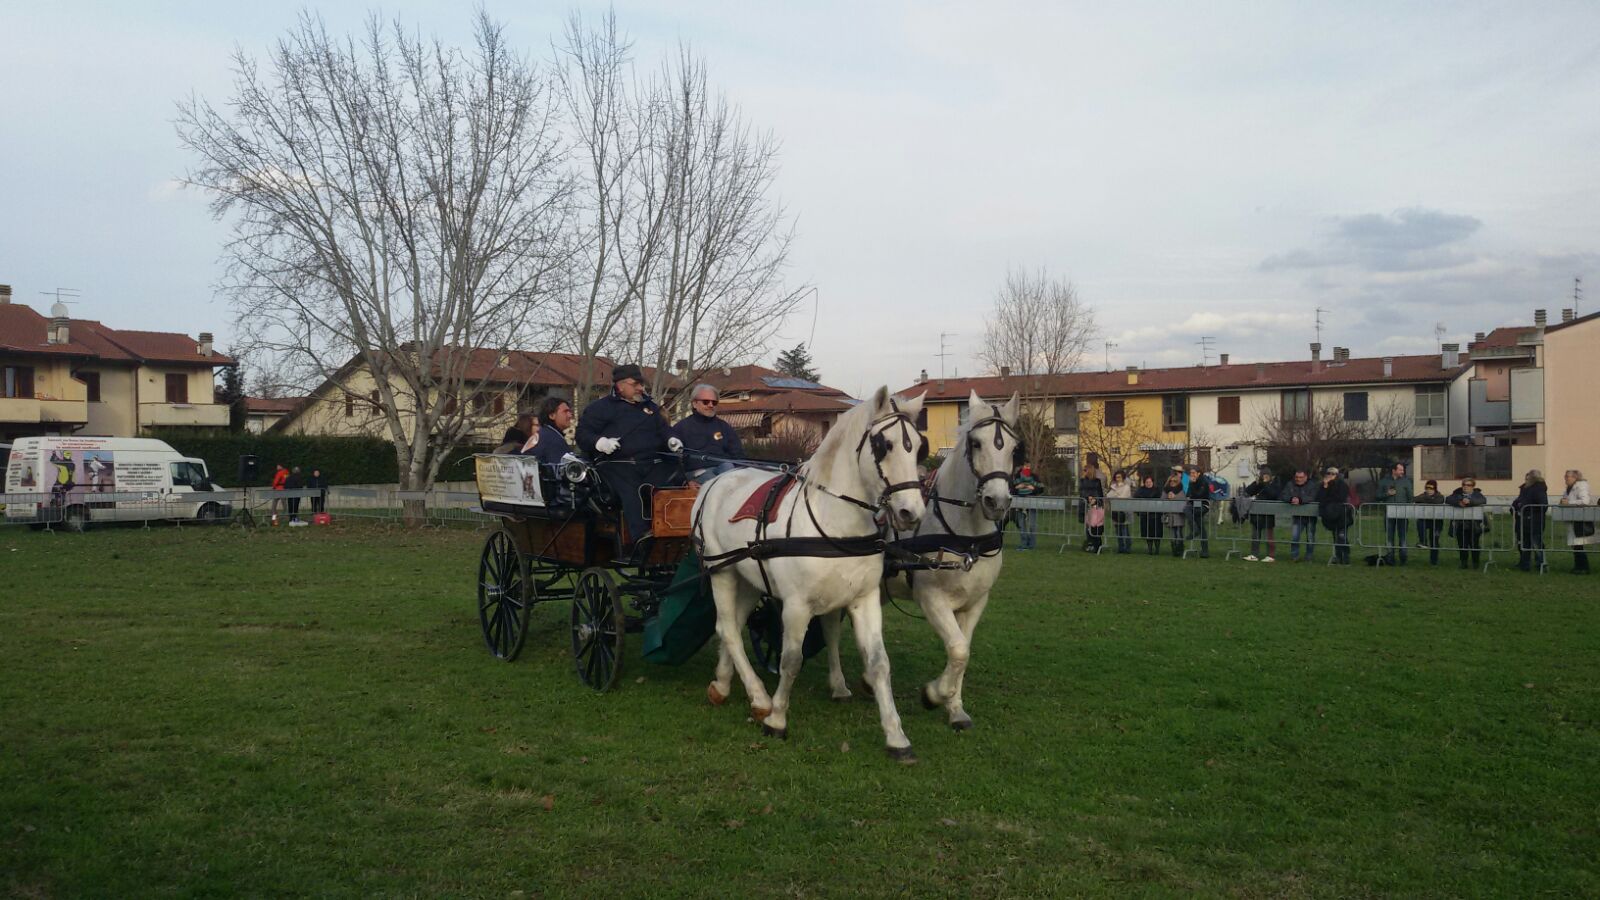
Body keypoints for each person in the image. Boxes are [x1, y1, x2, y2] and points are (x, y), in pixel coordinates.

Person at [575, 364, 684, 545]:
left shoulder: (649, 408)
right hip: (615, 464)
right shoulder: (600, 408)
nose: (641, 388)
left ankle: (673, 531)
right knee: (631, 489)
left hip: (650, 463)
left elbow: (664, 430)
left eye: (641, 384)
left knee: (675, 479)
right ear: (620, 385)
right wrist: (600, 443)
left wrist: (672, 439)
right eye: (636, 384)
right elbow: (582, 434)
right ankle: (641, 538)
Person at [674, 384, 744, 483]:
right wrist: (684, 481)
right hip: (697, 472)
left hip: (724, 467)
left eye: (714, 402)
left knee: (730, 470)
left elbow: (738, 454)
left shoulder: (724, 426)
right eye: (706, 402)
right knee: (714, 483)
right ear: (694, 403)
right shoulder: (681, 428)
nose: (710, 405)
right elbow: (672, 460)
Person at [1445, 477, 1487, 569]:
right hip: (1460, 524)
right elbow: (1448, 499)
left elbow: (1483, 500)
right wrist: (1458, 502)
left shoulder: (1477, 494)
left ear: (1473, 486)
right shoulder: (1457, 493)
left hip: (1474, 525)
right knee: (1462, 545)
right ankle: (1463, 563)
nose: (1465, 487)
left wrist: (1470, 502)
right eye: (1464, 485)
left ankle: (1475, 563)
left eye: (1468, 485)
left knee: (1474, 545)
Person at [1377, 461, 1414, 565]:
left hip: (1403, 513)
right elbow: (1377, 496)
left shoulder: (1406, 481)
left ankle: (1403, 558)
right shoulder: (1384, 481)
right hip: (1389, 513)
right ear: (1394, 470)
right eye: (1400, 469)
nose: (1402, 471)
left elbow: (1410, 497)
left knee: (1402, 536)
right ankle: (1390, 558)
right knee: (1389, 537)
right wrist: (1387, 494)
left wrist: (1409, 508)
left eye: (1403, 469)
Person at [1242, 467, 1281, 562]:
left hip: (1269, 512)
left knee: (1269, 535)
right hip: (1257, 512)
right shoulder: (1258, 483)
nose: (1264, 477)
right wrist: (1256, 484)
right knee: (1255, 534)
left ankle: (1271, 555)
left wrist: (1265, 484)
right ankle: (1254, 554)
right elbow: (1247, 491)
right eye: (1263, 475)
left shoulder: (1275, 484)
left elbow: (1274, 494)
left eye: (1266, 476)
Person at [1512, 469, 1548, 572]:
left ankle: (1541, 564)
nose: (1526, 480)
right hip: (1523, 520)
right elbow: (1519, 500)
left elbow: (1543, 505)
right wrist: (1515, 506)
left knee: (1536, 542)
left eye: (1528, 478)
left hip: (1534, 520)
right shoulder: (1525, 488)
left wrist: (1526, 507)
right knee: (1524, 543)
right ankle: (1524, 564)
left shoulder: (1539, 488)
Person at [1559, 469, 1593, 574]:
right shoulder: (1568, 488)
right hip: (1573, 518)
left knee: (1578, 543)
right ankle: (1578, 566)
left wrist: (1569, 502)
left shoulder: (1581, 486)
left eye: (1567, 476)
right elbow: (1566, 500)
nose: (1565, 478)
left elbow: (1585, 501)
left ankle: (1584, 568)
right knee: (1575, 544)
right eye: (1565, 476)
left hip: (1580, 519)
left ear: (1575, 477)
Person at [1283, 469, 1319, 563]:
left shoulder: (1312, 485)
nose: (1298, 479)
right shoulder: (1290, 484)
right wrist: (1291, 499)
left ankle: (1309, 557)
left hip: (1310, 516)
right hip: (1297, 516)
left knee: (1310, 538)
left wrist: (1300, 500)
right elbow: (1283, 495)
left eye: (1300, 477)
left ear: (1306, 477)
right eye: (1296, 477)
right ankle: (1294, 556)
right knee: (1295, 537)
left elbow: (1313, 497)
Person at [1318, 467, 1352, 564]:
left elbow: (1340, 498)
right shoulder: (1324, 485)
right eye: (1328, 473)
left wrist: (1328, 499)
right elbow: (1320, 498)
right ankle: (1338, 556)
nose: (1330, 475)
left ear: (1337, 475)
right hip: (1331, 515)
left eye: (1333, 474)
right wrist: (1325, 486)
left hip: (1342, 515)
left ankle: (1346, 557)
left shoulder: (1342, 485)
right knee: (1335, 537)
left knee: (1342, 536)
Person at [1011, 465, 1043, 550]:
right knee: (1022, 525)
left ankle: (1032, 545)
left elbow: (1041, 488)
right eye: (1025, 467)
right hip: (1020, 504)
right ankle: (1024, 544)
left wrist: (1033, 488)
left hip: (1032, 503)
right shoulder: (1017, 478)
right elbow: (1011, 490)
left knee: (1032, 525)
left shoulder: (1034, 477)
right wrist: (1017, 487)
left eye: (1028, 467)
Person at [1415, 479, 1445, 565]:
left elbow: (1438, 501)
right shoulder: (1423, 495)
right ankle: (1423, 541)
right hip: (1425, 520)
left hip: (1437, 522)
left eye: (1431, 488)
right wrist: (1428, 498)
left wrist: (1425, 499)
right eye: (1427, 487)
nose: (1428, 489)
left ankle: (1434, 561)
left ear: (1435, 488)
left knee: (1434, 540)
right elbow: (1415, 499)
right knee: (1419, 522)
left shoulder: (1440, 496)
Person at [1185, 465, 1211, 558]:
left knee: (1190, 511)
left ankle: (1195, 531)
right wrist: (1191, 486)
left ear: (1198, 473)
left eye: (1193, 473)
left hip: (1203, 506)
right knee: (1201, 526)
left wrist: (1192, 485)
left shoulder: (1204, 482)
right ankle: (1205, 551)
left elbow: (1199, 495)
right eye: (1191, 473)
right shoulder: (1191, 482)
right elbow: (1188, 494)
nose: (1192, 475)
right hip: (1194, 505)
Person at [1079, 464, 1105, 552]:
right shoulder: (1082, 481)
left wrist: (1095, 500)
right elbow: (1081, 492)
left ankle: (1097, 545)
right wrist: (1087, 498)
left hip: (1095, 507)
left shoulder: (1097, 481)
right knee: (1088, 526)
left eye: (1085, 470)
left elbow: (1100, 493)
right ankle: (1090, 544)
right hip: (1086, 506)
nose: (1084, 472)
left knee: (1096, 527)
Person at [1134, 474, 1162, 554]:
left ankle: (1157, 549)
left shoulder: (1157, 490)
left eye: (1150, 482)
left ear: (1152, 482)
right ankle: (1150, 549)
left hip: (1155, 515)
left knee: (1156, 533)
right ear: (1144, 483)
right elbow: (1136, 498)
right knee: (1147, 533)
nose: (1148, 483)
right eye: (1147, 482)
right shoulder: (1140, 490)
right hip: (1145, 515)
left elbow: (1159, 500)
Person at [1106, 471, 1133, 553]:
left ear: (1123, 478)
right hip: (1116, 511)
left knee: (1125, 530)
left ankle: (1127, 547)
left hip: (1124, 511)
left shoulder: (1126, 487)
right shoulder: (1113, 486)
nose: (1118, 479)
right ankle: (1120, 547)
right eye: (1116, 477)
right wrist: (1115, 493)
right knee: (1118, 530)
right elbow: (1108, 496)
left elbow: (1123, 497)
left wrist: (1115, 493)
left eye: (1119, 477)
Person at [1162, 471, 1187, 557]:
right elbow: (1162, 501)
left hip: (1179, 515)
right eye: (1171, 481)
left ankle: (1180, 548)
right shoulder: (1165, 490)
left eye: (1174, 481)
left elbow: (1183, 501)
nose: (1172, 482)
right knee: (1172, 533)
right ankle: (1174, 549)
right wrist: (1168, 498)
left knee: (1178, 532)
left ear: (1178, 482)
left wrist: (1174, 497)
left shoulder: (1181, 490)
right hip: (1169, 515)